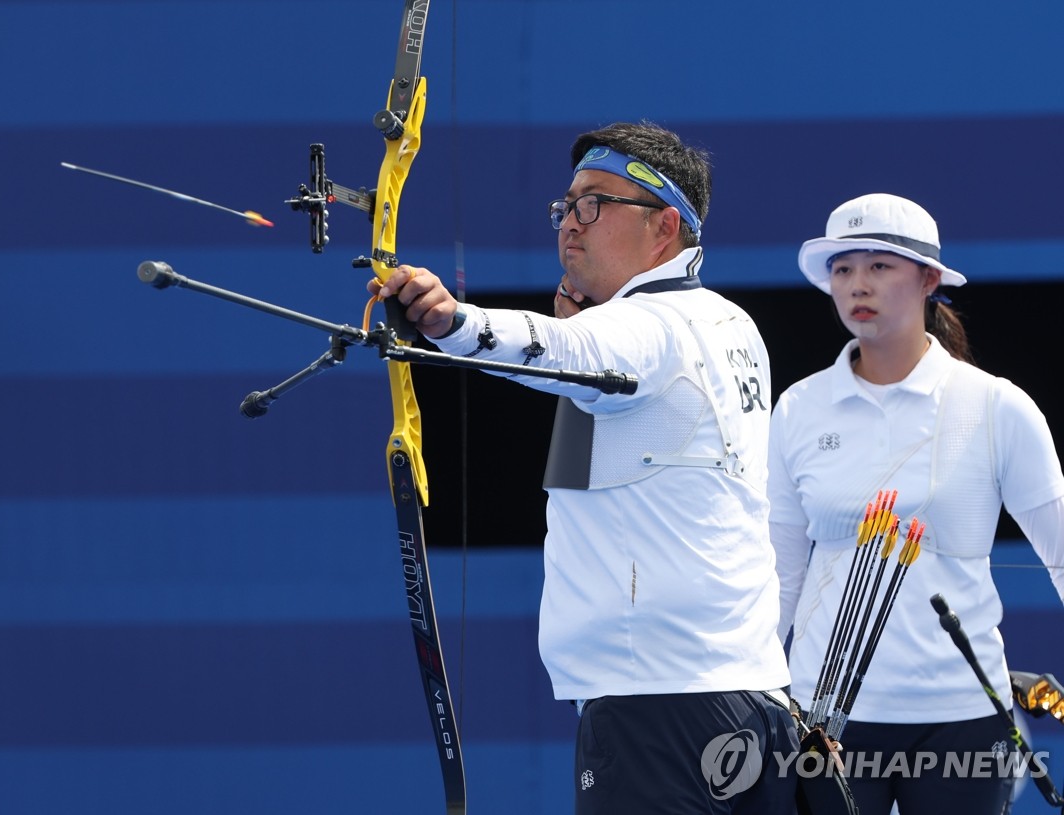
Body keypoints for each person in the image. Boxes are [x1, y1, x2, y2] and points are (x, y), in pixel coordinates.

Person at [373, 121, 797, 814]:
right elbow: (597, 461)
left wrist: (450, 322)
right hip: (748, 702)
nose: (570, 223)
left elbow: (554, 345)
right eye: (566, 205)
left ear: (665, 227)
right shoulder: (728, 322)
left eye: (595, 203)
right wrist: (583, 349)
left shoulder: (649, 326)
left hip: (659, 718)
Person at [768, 193, 1064, 815]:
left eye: (880, 266)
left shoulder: (996, 406)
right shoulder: (798, 407)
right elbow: (779, 564)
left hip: (961, 714)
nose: (857, 285)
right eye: (843, 269)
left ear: (929, 279)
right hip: (825, 719)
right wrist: (757, 688)